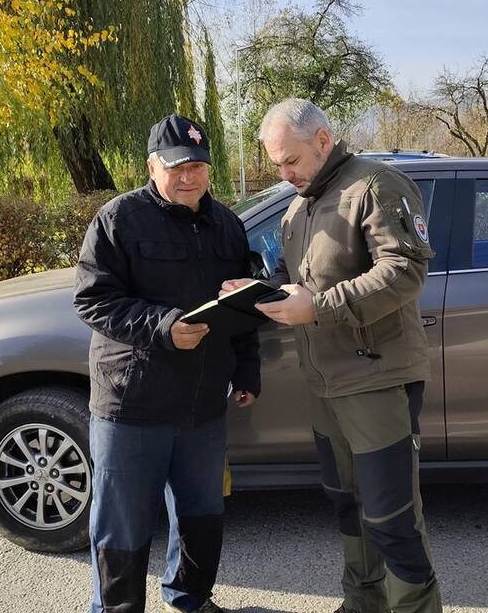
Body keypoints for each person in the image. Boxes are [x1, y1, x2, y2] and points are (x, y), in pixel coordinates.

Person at [221, 99, 442, 613]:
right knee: (348, 506)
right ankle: (361, 604)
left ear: (323, 140)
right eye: (276, 163)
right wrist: (257, 294)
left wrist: (317, 307)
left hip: (376, 379)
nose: (284, 173)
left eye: (290, 160)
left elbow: (404, 273)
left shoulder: (375, 186)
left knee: (392, 517)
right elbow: (298, 287)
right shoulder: (298, 208)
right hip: (324, 386)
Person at [74, 113, 260, 613]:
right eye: (177, 166)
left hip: (203, 406)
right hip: (133, 404)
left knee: (202, 515)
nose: (188, 177)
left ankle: (190, 600)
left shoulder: (227, 225)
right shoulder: (118, 219)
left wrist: (246, 370)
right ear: (152, 166)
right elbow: (93, 301)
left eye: (198, 165)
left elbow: (241, 307)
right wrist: (163, 327)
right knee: (123, 526)